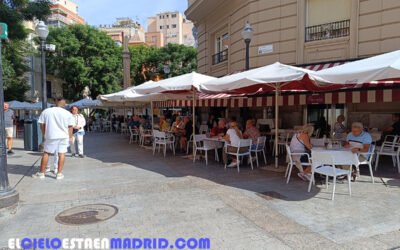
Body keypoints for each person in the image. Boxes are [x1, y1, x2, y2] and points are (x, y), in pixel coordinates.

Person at [33, 98, 74, 180]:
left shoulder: (47, 111)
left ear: (56, 102)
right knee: (62, 153)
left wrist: (45, 133)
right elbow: (70, 127)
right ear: (64, 104)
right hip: (63, 136)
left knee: (46, 153)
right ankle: (59, 174)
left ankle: (42, 173)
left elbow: (42, 124)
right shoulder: (68, 113)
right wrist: (70, 136)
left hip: (51, 135)